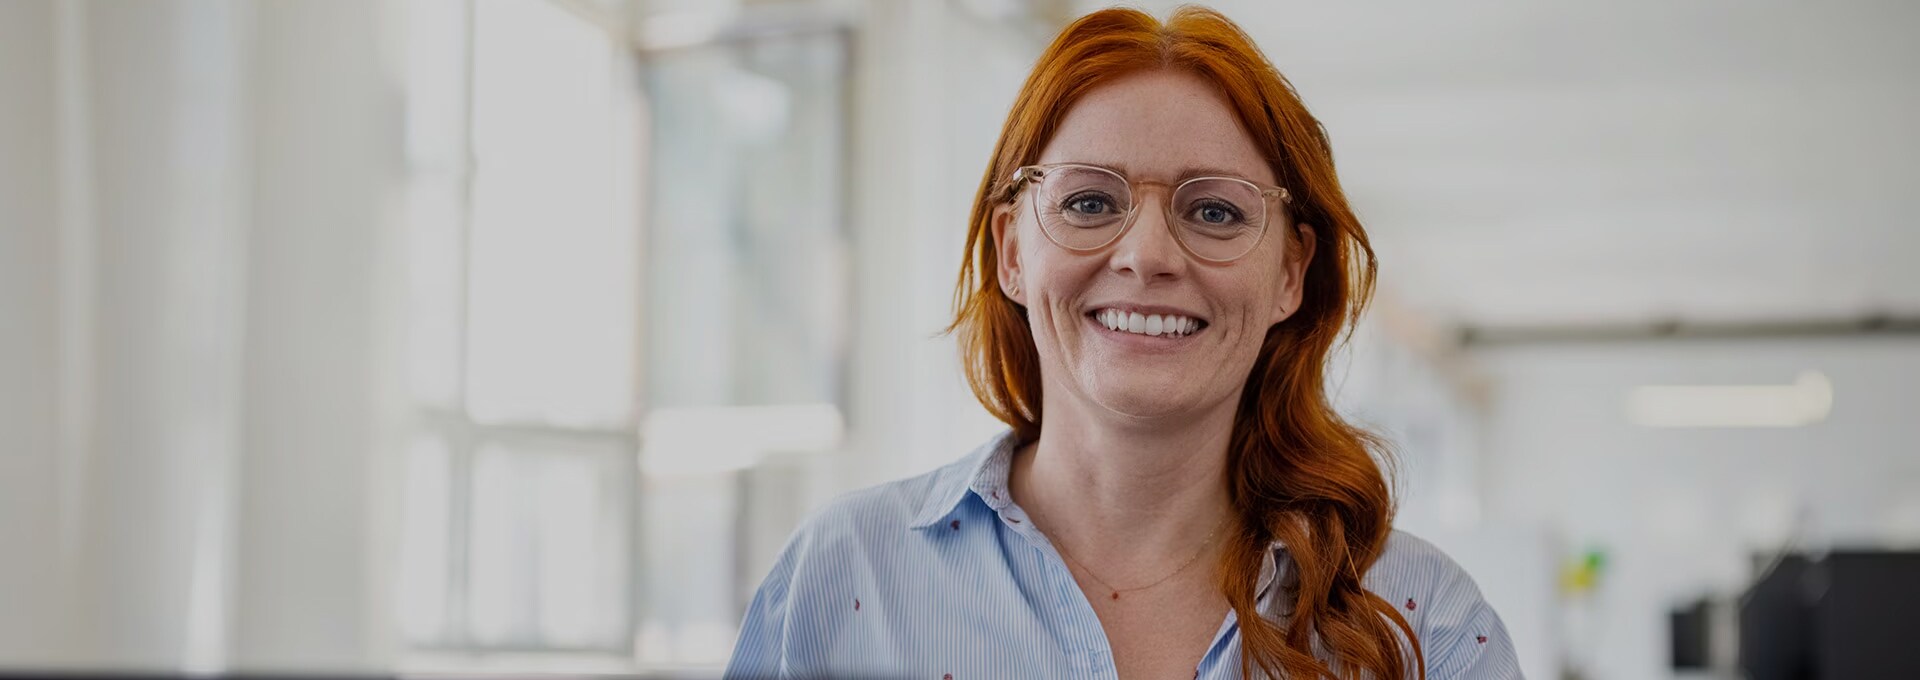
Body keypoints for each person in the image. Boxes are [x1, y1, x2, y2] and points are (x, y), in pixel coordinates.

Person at [725, 6, 1521, 679]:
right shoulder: (845, 577)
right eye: (1089, 202)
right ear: (1011, 251)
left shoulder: (1426, 626)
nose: (1147, 255)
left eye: (1215, 211)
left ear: (1291, 271)